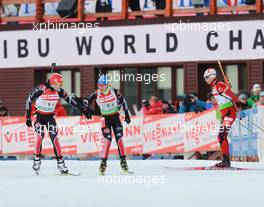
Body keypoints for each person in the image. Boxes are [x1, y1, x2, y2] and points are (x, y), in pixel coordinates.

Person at [25, 73, 89, 174]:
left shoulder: (59, 91)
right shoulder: (41, 89)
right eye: (59, 83)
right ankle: (36, 160)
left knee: (55, 139)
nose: (60, 85)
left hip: (50, 117)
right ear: (53, 83)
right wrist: (28, 117)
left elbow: (70, 101)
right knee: (39, 136)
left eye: (61, 83)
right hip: (39, 117)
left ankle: (61, 164)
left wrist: (83, 109)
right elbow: (28, 100)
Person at [82, 75, 131, 175]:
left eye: (102, 85)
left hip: (116, 118)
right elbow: (86, 102)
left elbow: (123, 101)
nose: (100, 87)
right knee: (107, 141)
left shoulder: (114, 91)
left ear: (107, 84)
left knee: (120, 140)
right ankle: (103, 164)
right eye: (99, 85)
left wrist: (126, 115)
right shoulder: (96, 93)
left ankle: (123, 162)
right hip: (105, 119)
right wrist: (86, 112)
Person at [203, 68, 238, 168]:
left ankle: (226, 161)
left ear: (211, 76)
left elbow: (232, 95)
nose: (205, 80)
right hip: (225, 113)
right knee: (221, 137)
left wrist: (239, 107)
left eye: (206, 77)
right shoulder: (215, 86)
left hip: (229, 112)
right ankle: (225, 160)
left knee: (222, 136)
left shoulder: (218, 85)